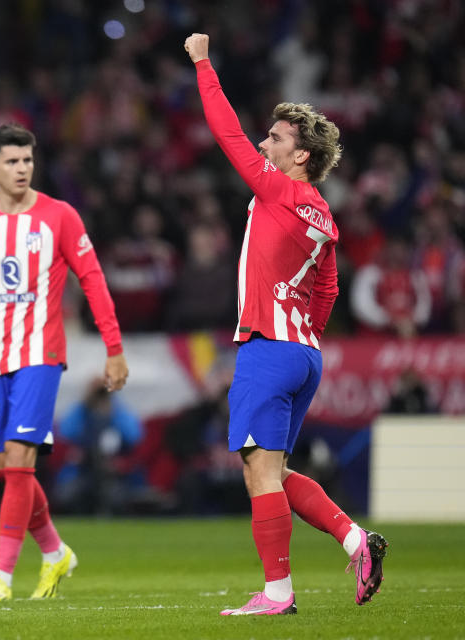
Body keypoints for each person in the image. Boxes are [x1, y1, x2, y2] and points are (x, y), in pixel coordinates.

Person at [183, 33, 387, 616]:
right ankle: (355, 541)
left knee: (259, 472)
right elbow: (327, 286)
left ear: (300, 155)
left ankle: (277, 593)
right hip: (304, 353)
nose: (263, 143)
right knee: (273, 467)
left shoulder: (278, 190)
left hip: (269, 348)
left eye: (275, 137)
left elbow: (225, 134)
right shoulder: (321, 211)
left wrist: (203, 64)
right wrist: (309, 334)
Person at [0, 123, 128, 601]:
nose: (21, 169)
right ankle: (56, 552)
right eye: (11, 161)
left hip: (41, 355)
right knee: (4, 469)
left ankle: (2, 574)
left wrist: (113, 348)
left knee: (18, 462)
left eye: (27, 161)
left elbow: (93, 281)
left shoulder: (60, 217)